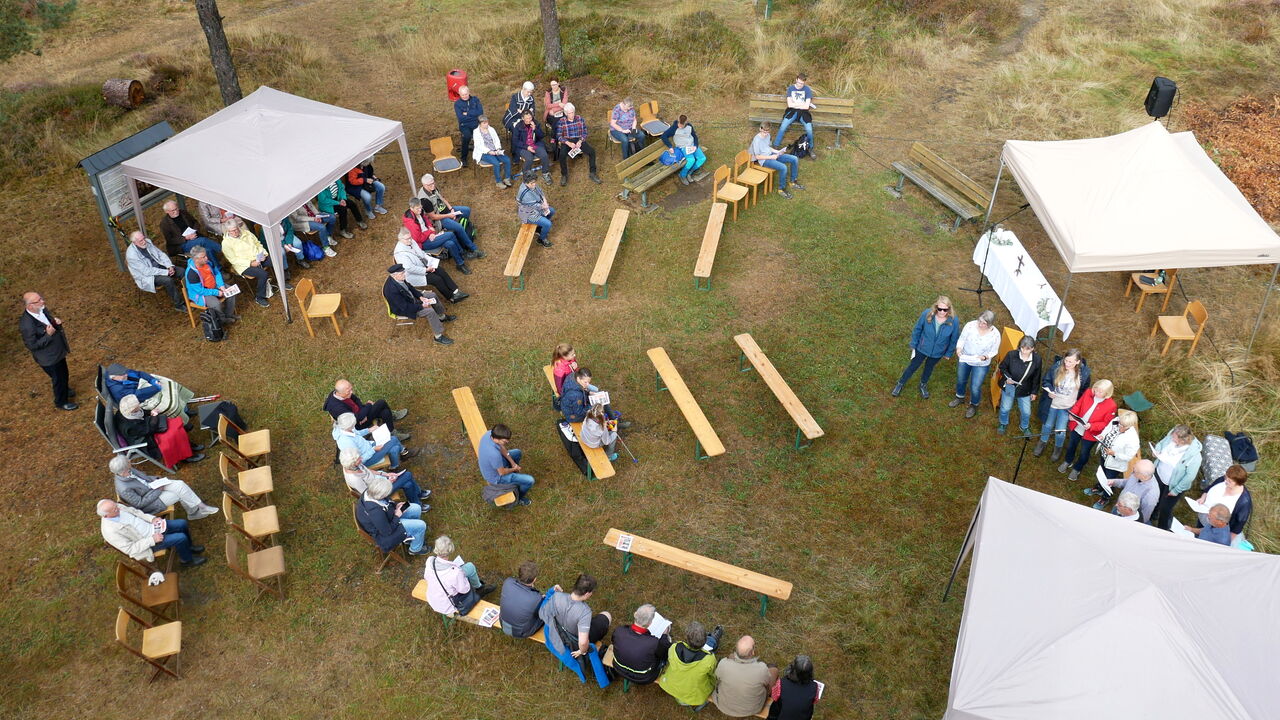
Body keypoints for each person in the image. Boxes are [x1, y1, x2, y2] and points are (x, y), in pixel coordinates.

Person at [538, 573, 612, 686]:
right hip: (574, 638)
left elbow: (544, 613)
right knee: (606, 615)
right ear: (587, 594)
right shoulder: (585, 612)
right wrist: (581, 651)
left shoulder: (557, 596)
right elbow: (582, 642)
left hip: (558, 631)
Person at [98, 498, 206, 567]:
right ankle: (187, 560)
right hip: (148, 543)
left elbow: (136, 512)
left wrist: (152, 519)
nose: (118, 509)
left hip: (152, 526)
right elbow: (130, 549)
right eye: (115, 510)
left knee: (182, 523)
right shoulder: (110, 531)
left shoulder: (117, 507)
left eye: (116, 506)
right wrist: (152, 540)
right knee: (180, 537)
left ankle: (188, 547)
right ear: (106, 516)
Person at [891, 296, 959, 399]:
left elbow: (954, 339)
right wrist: (914, 344)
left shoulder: (954, 321)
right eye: (939, 309)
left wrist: (948, 353)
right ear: (936, 307)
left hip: (938, 352)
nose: (941, 312)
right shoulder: (927, 314)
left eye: (944, 310)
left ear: (949, 309)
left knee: (929, 368)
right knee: (913, 366)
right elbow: (917, 329)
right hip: (922, 348)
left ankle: (923, 384)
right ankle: (900, 383)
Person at [111, 455, 216, 519]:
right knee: (178, 494)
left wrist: (156, 480)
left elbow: (144, 478)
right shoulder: (124, 488)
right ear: (124, 470)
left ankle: (201, 506)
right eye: (129, 463)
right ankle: (193, 513)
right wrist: (158, 490)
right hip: (151, 503)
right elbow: (140, 504)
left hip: (153, 487)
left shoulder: (129, 470)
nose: (130, 462)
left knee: (180, 484)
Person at [20, 292, 76, 411]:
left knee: (63, 375)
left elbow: (49, 323)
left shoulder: (42, 309)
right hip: (49, 358)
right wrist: (48, 335)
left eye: (41, 298)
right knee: (59, 378)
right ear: (30, 306)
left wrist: (55, 324)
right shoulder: (27, 325)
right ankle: (61, 402)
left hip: (57, 352)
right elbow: (32, 345)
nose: (43, 302)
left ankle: (65, 389)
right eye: (38, 301)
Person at [116, 394, 205, 466]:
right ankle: (186, 456)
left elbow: (142, 413)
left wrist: (150, 413)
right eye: (137, 407)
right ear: (132, 410)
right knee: (173, 435)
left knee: (174, 424)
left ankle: (188, 445)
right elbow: (148, 430)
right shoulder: (128, 427)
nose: (139, 406)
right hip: (146, 441)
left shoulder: (125, 411)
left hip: (146, 430)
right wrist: (154, 416)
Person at [1058, 379, 1117, 481]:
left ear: (1107, 393)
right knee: (1071, 445)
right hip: (1077, 426)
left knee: (1084, 452)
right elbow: (1078, 405)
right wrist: (1073, 414)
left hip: (1091, 433)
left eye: (1100, 392)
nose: (1096, 393)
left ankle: (1077, 468)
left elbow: (1106, 424)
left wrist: (1092, 426)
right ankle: (1068, 461)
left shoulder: (1111, 405)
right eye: (1096, 389)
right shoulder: (1088, 392)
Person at [417, 175, 483, 264]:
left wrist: (451, 208)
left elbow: (442, 198)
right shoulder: (424, 199)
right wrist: (449, 215)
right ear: (424, 185)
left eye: (433, 183)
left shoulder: (433, 188)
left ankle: (465, 236)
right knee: (459, 227)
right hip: (440, 219)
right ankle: (473, 249)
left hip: (448, 211)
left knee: (466, 210)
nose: (433, 186)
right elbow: (433, 217)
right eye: (430, 185)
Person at [356, 474, 428, 556]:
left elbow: (385, 502)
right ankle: (415, 549)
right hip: (386, 535)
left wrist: (395, 505)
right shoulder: (375, 511)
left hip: (388, 518)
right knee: (421, 525)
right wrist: (397, 515)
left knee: (416, 508)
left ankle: (412, 534)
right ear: (381, 496)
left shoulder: (370, 491)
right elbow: (387, 532)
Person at [383, 264, 455, 345]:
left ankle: (441, 317)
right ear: (394, 276)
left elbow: (410, 288)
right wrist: (421, 306)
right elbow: (404, 307)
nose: (404, 274)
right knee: (430, 312)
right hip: (404, 309)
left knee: (432, 295)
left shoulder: (399, 278)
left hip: (410, 299)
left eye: (404, 272)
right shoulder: (391, 291)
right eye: (402, 274)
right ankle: (438, 337)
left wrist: (420, 297)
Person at [222, 220, 289, 308]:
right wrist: (250, 263)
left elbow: (258, 244)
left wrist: (264, 253)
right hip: (243, 265)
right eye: (231, 231)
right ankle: (259, 297)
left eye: (235, 230)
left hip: (258, 258)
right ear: (228, 231)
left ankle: (282, 282)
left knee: (276, 261)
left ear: (238, 227)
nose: (234, 232)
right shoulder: (226, 243)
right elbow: (233, 260)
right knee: (263, 274)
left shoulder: (247, 233)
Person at [658, 621, 724, 709]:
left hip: (670, 686)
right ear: (703, 641)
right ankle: (712, 639)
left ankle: (712, 639)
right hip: (695, 696)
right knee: (711, 643)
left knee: (711, 643)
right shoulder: (709, 659)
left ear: (687, 638)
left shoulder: (674, 647)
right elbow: (713, 675)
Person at [423, 535, 495, 615]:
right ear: (450, 550)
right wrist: (463, 577)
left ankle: (479, 586)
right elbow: (465, 589)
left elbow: (426, 577)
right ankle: (480, 588)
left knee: (466, 570)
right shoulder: (455, 573)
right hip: (449, 605)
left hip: (433, 600)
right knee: (470, 567)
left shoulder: (430, 561)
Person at [393, 228, 469, 304]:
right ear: (400, 239)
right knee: (436, 280)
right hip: (413, 274)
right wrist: (426, 270)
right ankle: (451, 297)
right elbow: (409, 268)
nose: (410, 240)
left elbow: (421, 253)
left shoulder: (411, 241)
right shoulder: (400, 253)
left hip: (423, 265)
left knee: (440, 270)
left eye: (410, 237)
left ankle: (456, 291)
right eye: (407, 239)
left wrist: (430, 263)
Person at [1033, 348, 1083, 459]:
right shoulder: (1056, 368)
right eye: (1066, 360)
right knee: (1047, 425)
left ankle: (1058, 448)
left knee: (1060, 431)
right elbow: (1046, 381)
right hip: (1053, 405)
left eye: (1070, 362)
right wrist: (1050, 391)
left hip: (1067, 408)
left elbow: (1083, 392)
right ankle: (1042, 442)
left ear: (1077, 362)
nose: (1067, 364)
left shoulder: (1082, 373)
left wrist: (1075, 409)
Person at [1151, 424, 1202, 531]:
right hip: (1159, 475)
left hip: (1173, 485)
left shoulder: (1195, 456)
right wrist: (1157, 450)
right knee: (1154, 497)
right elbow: (1161, 443)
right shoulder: (1172, 434)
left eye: (1174, 437)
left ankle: (1162, 529)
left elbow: (1189, 476)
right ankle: (1153, 515)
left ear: (1182, 441)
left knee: (1165, 508)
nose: (1171, 438)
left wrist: (1176, 490)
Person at [713, 635, 779, 718]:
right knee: (773, 669)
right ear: (752, 652)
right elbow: (767, 684)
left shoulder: (723, 663)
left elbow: (717, 678)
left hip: (723, 706)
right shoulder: (761, 669)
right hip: (753, 709)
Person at [950, 309, 1000, 418]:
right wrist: (959, 349)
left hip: (981, 363)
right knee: (961, 379)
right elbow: (962, 339)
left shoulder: (995, 334)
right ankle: (960, 397)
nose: (981, 324)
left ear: (990, 324)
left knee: (975, 386)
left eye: (984, 323)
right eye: (980, 321)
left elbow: (994, 350)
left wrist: (986, 356)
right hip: (966, 358)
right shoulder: (970, 326)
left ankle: (974, 404)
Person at [104, 363, 195, 421]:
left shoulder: (121, 373)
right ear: (114, 377)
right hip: (140, 400)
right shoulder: (118, 390)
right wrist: (155, 388)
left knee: (170, 384)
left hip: (144, 388)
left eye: (125, 373)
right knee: (169, 404)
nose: (126, 374)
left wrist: (152, 380)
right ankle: (182, 417)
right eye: (123, 375)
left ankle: (184, 408)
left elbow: (139, 374)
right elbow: (136, 396)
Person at [610, 603, 674, 686]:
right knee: (666, 644)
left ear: (635, 614)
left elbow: (613, 641)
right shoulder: (654, 643)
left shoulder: (619, 631)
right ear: (650, 623)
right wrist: (665, 635)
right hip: (644, 677)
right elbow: (664, 655)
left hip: (618, 668)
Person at [403, 198, 471, 275]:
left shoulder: (419, 212)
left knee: (449, 243)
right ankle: (463, 253)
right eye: (417, 208)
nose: (420, 210)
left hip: (430, 236)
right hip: (423, 243)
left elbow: (427, 221)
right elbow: (418, 238)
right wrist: (429, 232)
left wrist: (431, 231)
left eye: (420, 207)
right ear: (411, 208)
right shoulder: (410, 222)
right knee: (450, 235)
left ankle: (460, 264)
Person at [341, 447, 430, 504]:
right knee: (407, 475)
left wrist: (386, 474)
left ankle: (417, 502)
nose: (361, 459)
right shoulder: (355, 479)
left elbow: (369, 471)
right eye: (358, 459)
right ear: (352, 463)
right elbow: (370, 495)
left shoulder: (354, 465)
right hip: (380, 492)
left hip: (380, 480)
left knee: (408, 484)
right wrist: (388, 482)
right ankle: (418, 495)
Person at [324, 379, 408, 438]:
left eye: (351, 389)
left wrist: (362, 412)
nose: (351, 392)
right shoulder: (337, 408)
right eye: (348, 391)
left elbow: (356, 400)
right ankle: (392, 419)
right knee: (381, 402)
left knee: (385, 412)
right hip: (357, 425)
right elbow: (356, 419)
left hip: (361, 415)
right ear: (340, 393)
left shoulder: (340, 393)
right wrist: (368, 405)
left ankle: (391, 431)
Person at [332, 412, 416, 470]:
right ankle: (404, 453)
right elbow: (359, 460)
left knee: (395, 448)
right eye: (353, 425)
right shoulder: (347, 443)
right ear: (348, 427)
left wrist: (369, 430)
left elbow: (357, 433)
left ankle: (394, 467)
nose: (354, 427)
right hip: (367, 460)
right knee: (393, 439)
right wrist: (374, 450)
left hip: (369, 446)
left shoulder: (343, 427)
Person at [1192, 464, 1252, 544]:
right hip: (1203, 518)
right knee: (1197, 536)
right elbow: (1209, 488)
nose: (1226, 481)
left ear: (1238, 483)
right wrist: (1202, 498)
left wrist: (1227, 543)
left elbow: (1237, 526)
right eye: (1226, 477)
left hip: (1215, 529)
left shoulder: (1244, 502)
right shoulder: (1223, 480)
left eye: (1230, 481)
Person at [125, 231, 184, 311]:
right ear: (134, 243)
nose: (144, 242)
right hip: (148, 276)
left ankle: (192, 294)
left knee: (182, 271)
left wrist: (169, 266)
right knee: (168, 280)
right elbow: (146, 271)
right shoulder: (131, 255)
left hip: (159, 267)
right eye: (141, 241)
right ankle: (179, 305)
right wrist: (166, 272)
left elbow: (160, 254)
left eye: (143, 238)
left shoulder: (147, 242)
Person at [478, 423, 534, 506]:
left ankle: (515, 476)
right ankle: (519, 497)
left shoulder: (490, 434)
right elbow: (502, 472)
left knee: (517, 452)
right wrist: (514, 469)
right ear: (496, 439)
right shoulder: (494, 454)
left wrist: (513, 463)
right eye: (505, 441)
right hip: (496, 478)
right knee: (530, 481)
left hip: (493, 465)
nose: (507, 442)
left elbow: (502, 448)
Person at [995, 336, 1040, 435]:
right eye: (1022, 348)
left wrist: (1034, 392)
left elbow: (1037, 377)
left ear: (1032, 349)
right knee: (1005, 408)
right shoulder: (1011, 354)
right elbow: (1002, 367)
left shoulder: (1037, 360)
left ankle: (1024, 426)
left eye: (1027, 349)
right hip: (1009, 386)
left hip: (1025, 389)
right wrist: (1008, 378)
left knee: (1026, 412)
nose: (1024, 351)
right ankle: (1003, 423)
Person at [500, 560, 554, 638]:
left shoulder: (508, 582)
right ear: (535, 579)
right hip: (521, 632)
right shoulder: (536, 598)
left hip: (503, 623)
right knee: (545, 612)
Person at [1092, 459, 1158, 521]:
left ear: (1144, 476)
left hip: (1127, 517)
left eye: (1134, 471)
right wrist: (1114, 482)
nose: (1132, 471)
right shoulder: (1138, 474)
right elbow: (1128, 482)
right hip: (1119, 506)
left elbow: (1144, 516)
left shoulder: (1151, 495)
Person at [182, 247, 238, 320]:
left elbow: (217, 273)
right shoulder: (191, 273)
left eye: (206, 255)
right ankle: (222, 320)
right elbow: (199, 291)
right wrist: (217, 292)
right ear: (196, 259)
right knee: (216, 304)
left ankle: (228, 315)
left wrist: (221, 285)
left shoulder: (208, 262)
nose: (206, 258)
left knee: (232, 292)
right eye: (203, 257)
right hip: (202, 293)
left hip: (214, 285)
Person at [750, 123, 803, 199]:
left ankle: (793, 181)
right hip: (764, 160)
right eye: (764, 132)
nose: (765, 134)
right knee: (783, 167)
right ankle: (781, 189)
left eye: (767, 132)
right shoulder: (756, 140)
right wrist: (771, 157)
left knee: (794, 159)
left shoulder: (768, 136)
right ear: (760, 129)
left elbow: (767, 147)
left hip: (771, 155)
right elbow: (757, 156)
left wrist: (777, 152)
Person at [555, 103, 601, 185]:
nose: (571, 115)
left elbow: (585, 132)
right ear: (566, 113)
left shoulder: (580, 119)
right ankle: (564, 175)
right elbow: (558, 136)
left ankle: (592, 173)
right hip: (567, 140)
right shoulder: (561, 121)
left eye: (572, 112)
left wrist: (580, 141)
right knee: (562, 155)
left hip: (578, 139)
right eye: (569, 113)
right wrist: (568, 143)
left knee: (592, 152)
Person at [773, 73, 818, 159]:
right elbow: (790, 105)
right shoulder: (791, 88)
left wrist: (796, 104)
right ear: (796, 80)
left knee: (809, 129)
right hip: (792, 112)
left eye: (802, 84)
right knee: (783, 126)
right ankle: (775, 146)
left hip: (804, 113)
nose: (800, 85)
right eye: (798, 83)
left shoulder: (807, 90)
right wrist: (801, 104)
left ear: (804, 82)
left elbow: (806, 106)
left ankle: (810, 148)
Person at [1091, 409, 1140, 483]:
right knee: (1102, 474)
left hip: (1114, 465)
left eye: (1123, 426)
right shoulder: (1116, 420)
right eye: (1120, 423)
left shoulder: (1133, 439)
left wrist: (1114, 454)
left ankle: (1106, 494)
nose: (1120, 426)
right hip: (1104, 455)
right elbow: (1106, 430)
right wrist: (1102, 436)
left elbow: (1128, 457)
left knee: (1109, 481)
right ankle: (1099, 487)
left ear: (1130, 426)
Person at [767, 655, 820, 720]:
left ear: (793, 669)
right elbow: (814, 701)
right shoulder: (815, 686)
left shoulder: (781, 683)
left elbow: (774, 697)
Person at [661, 114, 707, 185]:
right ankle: (682, 175)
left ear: (686, 123)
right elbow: (664, 136)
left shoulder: (689, 126)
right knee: (691, 160)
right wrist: (670, 146)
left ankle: (689, 173)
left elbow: (694, 136)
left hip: (692, 146)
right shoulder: (674, 128)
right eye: (679, 123)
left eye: (682, 125)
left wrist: (695, 145)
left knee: (702, 158)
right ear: (678, 120)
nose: (680, 126)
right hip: (683, 147)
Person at [471, 115, 514, 188]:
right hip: (483, 153)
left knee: (507, 160)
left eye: (487, 122)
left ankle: (507, 178)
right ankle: (498, 182)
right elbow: (478, 146)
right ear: (480, 124)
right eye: (484, 123)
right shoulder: (476, 132)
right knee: (496, 163)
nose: (486, 124)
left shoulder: (491, 129)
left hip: (495, 150)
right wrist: (489, 151)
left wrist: (497, 148)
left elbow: (496, 140)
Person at [317, 175, 365, 239]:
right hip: (328, 204)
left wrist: (343, 199)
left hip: (339, 199)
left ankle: (359, 220)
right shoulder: (321, 186)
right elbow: (323, 200)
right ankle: (343, 230)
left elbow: (341, 188)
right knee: (342, 210)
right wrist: (338, 203)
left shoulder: (335, 178)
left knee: (352, 204)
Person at [512, 111, 553, 182]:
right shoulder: (518, 126)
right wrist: (527, 147)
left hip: (535, 144)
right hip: (523, 147)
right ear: (522, 118)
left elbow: (541, 136)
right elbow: (515, 141)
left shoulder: (536, 123)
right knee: (529, 158)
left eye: (530, 118)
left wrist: (535, 129)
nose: (529, 120)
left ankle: (545, 173)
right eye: (526, 118)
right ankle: (526, 175)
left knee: (544, 155)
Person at [517, 174, 555, 248]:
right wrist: (544, 206)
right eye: (532, 183)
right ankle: (541, 239)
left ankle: (539, 227)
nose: (534, 184)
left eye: (534, 182)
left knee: (552, 211)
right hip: (528, 214)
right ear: (526, 183)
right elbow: (534, 206)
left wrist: (545, 201)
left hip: (537, 209)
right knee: (548, 224)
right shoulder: (525, 194)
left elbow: (540, 192)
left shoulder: (531, 185)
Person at [454, 85, 483, 167]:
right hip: (464, 125)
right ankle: (463, 158)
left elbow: (480, 112)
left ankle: (482, 154)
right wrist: (474, 113)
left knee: (481, 135)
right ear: (459, 94)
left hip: (476, 123)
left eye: (466, 94)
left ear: (469, 92)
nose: (465, 96)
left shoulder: (475, 100)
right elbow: (461, 118)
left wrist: (467, 113)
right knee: (466, 136)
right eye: (462, 95)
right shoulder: (457, 104)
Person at [543, 79, 569, 153]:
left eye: (554, 84)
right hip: (550, 113)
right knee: (555, 121)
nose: (553, 87)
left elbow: (564, 103)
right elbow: (548, 105)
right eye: (551, 85)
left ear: (558, 83)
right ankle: (557, 140)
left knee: (562, 121)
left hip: (561, 111)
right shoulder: (548, 92)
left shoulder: (564, 90)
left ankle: (554, 140)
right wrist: (558, 104)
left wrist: (554, 110)